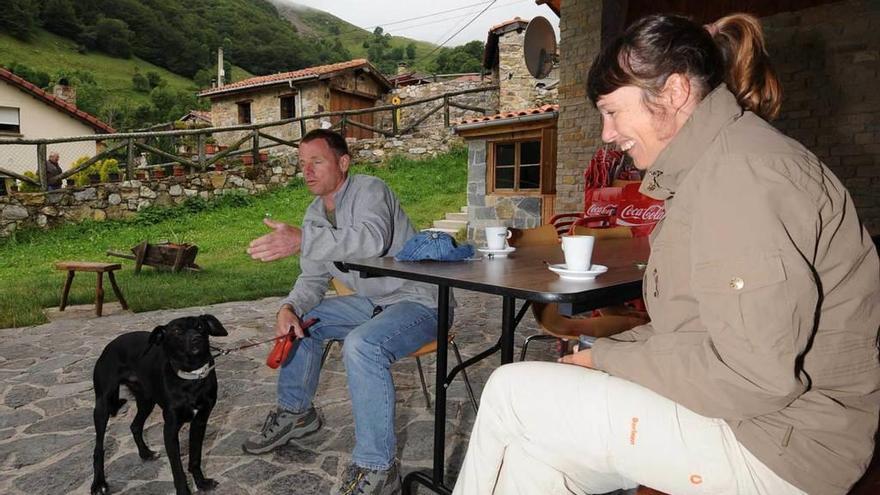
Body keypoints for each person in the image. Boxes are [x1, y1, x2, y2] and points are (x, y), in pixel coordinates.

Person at [453, 13, 879, 495]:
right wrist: (605, 355)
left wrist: (609, 359)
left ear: (674, 93)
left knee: (512, 392)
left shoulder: (741, 178)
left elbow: (755, 377)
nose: (606, 134)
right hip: (755, 419)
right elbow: (700, 331)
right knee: (534, 455)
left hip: (781, 447)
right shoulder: (713, 169)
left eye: (612, 111)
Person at [243, 129, 444, 495]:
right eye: (302, 164)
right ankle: (296, 414)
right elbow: (313, 277)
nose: (306, 171)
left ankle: (377, 468)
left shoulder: (370, 190)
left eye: (316, 162)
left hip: (420, 300)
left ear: (343, 163)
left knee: (362, 345)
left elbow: (371, 240)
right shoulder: (314, 214)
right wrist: (289, 307)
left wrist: (303, 239)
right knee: (303, 321)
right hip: (373, 303)